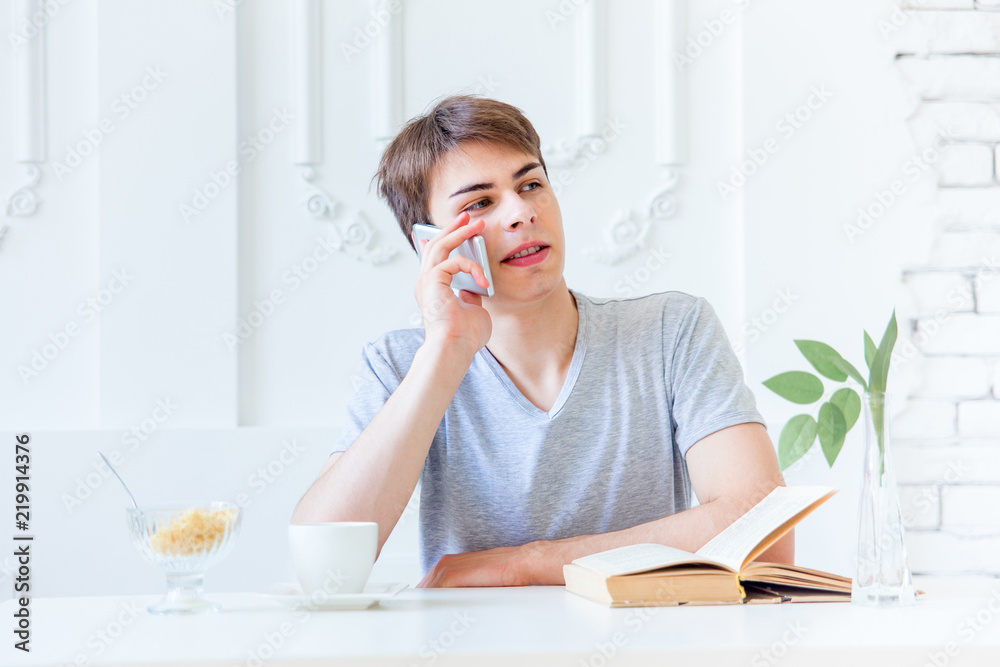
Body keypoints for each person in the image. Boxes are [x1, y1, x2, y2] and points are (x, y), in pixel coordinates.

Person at [291, 95, 791, 587]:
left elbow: (765, 535)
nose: (521, 212)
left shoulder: (671, 331)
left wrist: (527, 563)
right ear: (431, 244)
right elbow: (324, 566)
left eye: (530, 184)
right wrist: (445, 352)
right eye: (481, 202)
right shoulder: (401, 364)